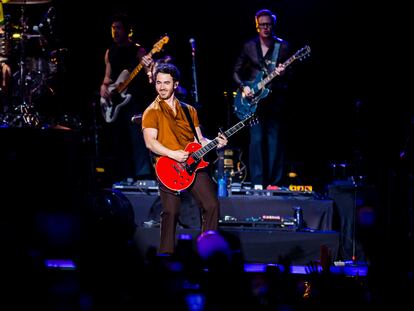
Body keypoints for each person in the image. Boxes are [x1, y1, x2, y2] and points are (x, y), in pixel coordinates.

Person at [141, 63, 228, 254]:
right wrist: (173, 154)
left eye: (166, 83)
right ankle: (166, 255)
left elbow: (200, 140)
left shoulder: (189, 110)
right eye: (158, 83)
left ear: (175, 84)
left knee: (211, 204)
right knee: (171, 211)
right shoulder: (151, 111)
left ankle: (209, 252)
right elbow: (150, 142)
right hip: (168, 166)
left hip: (193, 163)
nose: (161, 87)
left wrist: (215, 142)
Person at [233, 9, 290, 189]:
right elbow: (236, 71)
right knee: (256, 140)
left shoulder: (283, 47)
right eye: (262, 25)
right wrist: (244, 87)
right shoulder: (249, 46)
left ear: (273, 26)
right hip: (253, 101)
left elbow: (292, 76)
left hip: (275, 100)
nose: (266, 28)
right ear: (257, 26)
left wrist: (284, 72)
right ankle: (257, 183)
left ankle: (275, 183)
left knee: (275, 141)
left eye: (269, 25)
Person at [99, 13, 153, 184]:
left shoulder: (137, 50)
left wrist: (150, 69)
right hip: (115, 102)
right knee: (118, 140)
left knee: (137, 137)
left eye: (118, 27)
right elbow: (107, 78)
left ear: (127, 30)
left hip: (133, 98)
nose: (115, 31)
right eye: (113, 28)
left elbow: (148, 71)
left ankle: (142, 175)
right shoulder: (110, 52)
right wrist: (103, 88)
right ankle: (121, 175)